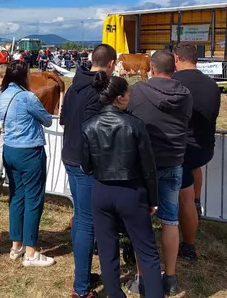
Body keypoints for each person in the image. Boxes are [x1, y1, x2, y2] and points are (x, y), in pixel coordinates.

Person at [81, 76, 162, 298]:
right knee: (146, 250)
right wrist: (153, 199)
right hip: (131, 191)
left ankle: (114, 294)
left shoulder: (88, 126)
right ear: (119, 98)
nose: (130, 98)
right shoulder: (135, 125)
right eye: (128, 94)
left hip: (101, 190)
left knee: (107, 251)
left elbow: (85, 166)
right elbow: (149, 167)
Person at [127, 50, 192, 296]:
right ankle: (171, 277)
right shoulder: (185, 94)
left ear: (151, 68)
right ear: (173, 69)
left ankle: (142, 277)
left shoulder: (139, 90)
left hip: (144, 164)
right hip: (174, 161)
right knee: (170, 220)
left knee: (140, 221)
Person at [59, 44, 117, 298]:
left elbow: (63, 119)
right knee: (86, 221)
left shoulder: (75, 85)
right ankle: (81, 288)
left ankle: (83, 274)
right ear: (112, 64)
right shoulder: (98, 89)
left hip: (70, 156)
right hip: (86, 162)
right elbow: (96, 130)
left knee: (81, 216)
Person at [0, 61, 55, 267]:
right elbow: (47, 120)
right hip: (29, 150)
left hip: (10, 148)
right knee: (33, 199)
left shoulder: (2, 94)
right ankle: (30, 252)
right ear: (24, 76)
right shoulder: (27, 97)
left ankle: (16, 245)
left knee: (16, 196)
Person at [172, 44, 221, 261]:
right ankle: (198, 202)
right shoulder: (212, 84)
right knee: (194, 173)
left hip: (181, 147)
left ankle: (189, 246)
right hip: (204, 146)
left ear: (176, 58)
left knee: (185, 198)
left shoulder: (174, 82)